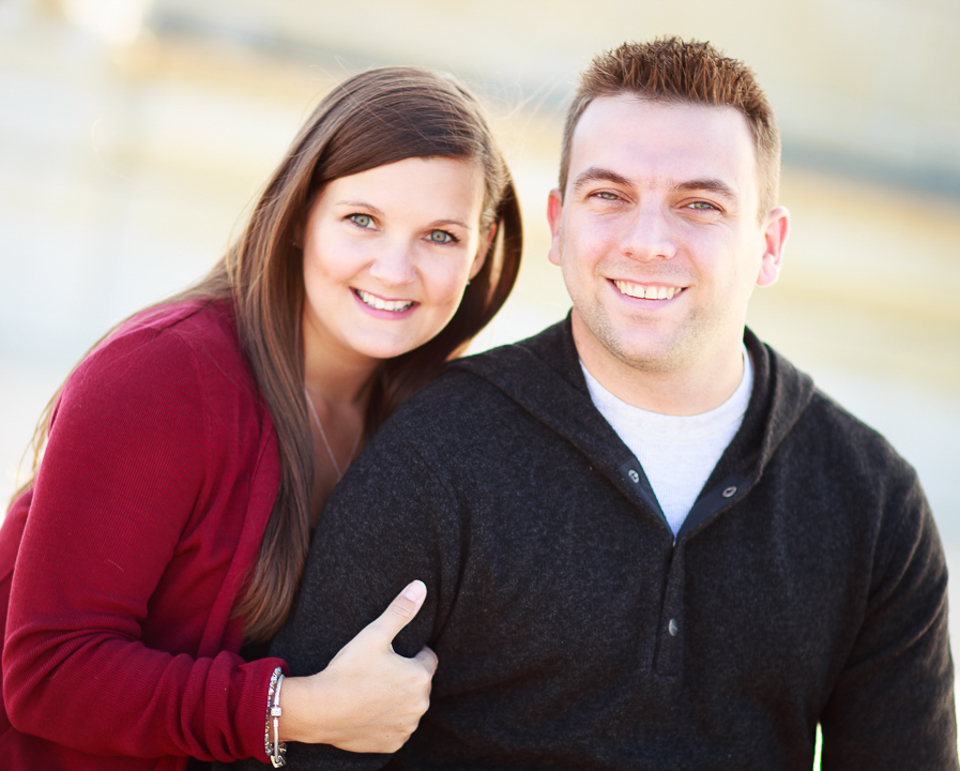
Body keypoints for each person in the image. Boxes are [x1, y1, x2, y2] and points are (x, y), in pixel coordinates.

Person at [239, 38, 958, 770]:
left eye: (699, 204)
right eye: (609, 195)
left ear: (768, 244)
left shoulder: (870, 501)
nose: (647, 242)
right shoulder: (437, 453)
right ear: (558, 223)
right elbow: (303, 754)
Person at [0, 65, 522, 770]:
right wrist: (300, 708)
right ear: (302, 216)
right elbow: (48, 674)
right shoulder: (164, 375)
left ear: (481, 248)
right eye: (362, 220)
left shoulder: (427, 419)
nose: (396, 270)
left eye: (440, 236)